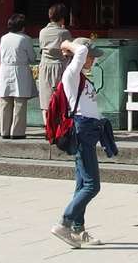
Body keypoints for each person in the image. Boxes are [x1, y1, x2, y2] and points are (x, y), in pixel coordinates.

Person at [51, 37, 117, 248]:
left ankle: (78, 229)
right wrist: (68, 43)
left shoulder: (81, 77)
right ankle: (64, 223)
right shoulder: (71, 74)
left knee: (81, 184)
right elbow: (78, 53)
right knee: (92, 185)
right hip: (82, 131)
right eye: (90, 56)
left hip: (89, 131)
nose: (92, 60)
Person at [0, 13, 37, 139]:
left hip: (5, 69)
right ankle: (17, 131)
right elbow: (32, 57)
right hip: (20, 70)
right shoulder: (25, 39)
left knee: (5, 102)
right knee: (19, 102)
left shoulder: (3, 38)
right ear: (22, 27)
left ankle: (4, 131)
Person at [37, 3, 72, 122]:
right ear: (62, 17)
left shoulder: (42, 32)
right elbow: (69, 50)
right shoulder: (64, 33)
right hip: (60, 67)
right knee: (61, 98)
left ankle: (48, 127)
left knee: (46, 100)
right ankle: (59, 127)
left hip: (45, 66)